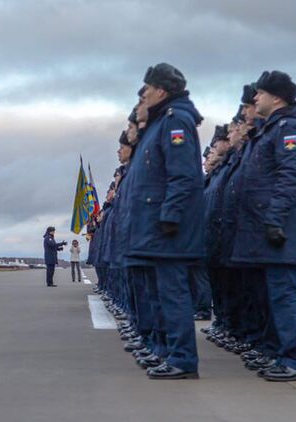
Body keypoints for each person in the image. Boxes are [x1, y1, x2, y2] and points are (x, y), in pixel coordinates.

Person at [230, 70, 296, 382]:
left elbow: (291, 177)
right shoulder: (273, 129)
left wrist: (275, 218)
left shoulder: (289, 128)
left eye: (260, 94)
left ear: (276, 98)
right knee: (275, 294)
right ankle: (283, 355)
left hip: (281, 229)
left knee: (286, 294)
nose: (255, 99)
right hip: (268, 228)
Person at [124, 63, 205, 380]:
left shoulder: (175, 121)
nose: (142, 94)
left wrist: (171, 215)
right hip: (155, 226)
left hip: (167, 228)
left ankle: (183, 359)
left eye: (146, 88)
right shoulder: (160, 124)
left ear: (161, 90)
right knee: (161, 294)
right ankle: (169, 351)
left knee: (173, 294)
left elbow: (183, 175)